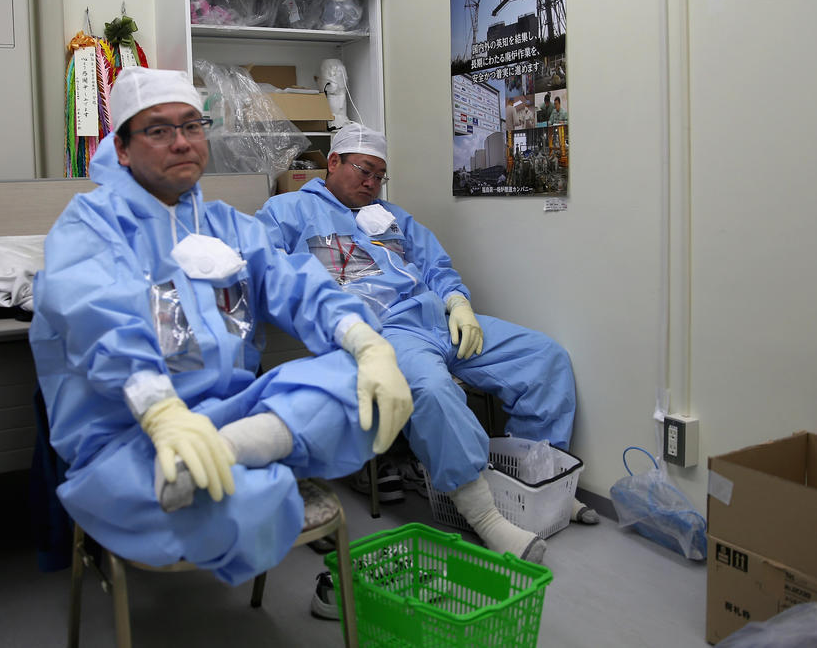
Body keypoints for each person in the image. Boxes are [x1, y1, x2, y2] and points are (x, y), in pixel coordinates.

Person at [29, 68, 413, 587]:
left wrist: (364, 341)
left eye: (192, 125)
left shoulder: (228, 227)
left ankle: (230, 450)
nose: (182, 142)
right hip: (135, 434)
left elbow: (296, 284)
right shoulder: (91, 227)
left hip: (237, 414)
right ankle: (232, 466)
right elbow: (100, 322)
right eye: (159, 130)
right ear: (121, 149)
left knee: (360, 380)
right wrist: (163, 414)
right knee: (250, 501)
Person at [257, 123, 597, 569]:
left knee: (543, 357)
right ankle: (488, 516)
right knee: (434, 390)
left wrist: (459, 304)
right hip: (381, 332)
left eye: (380, 175)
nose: (372, 182)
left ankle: (543, 482)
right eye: (364, 170)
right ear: (333, 162)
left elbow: (435, 264)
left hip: (435, 317)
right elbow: (263, 270)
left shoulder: (393, 217)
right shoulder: (289, 211)